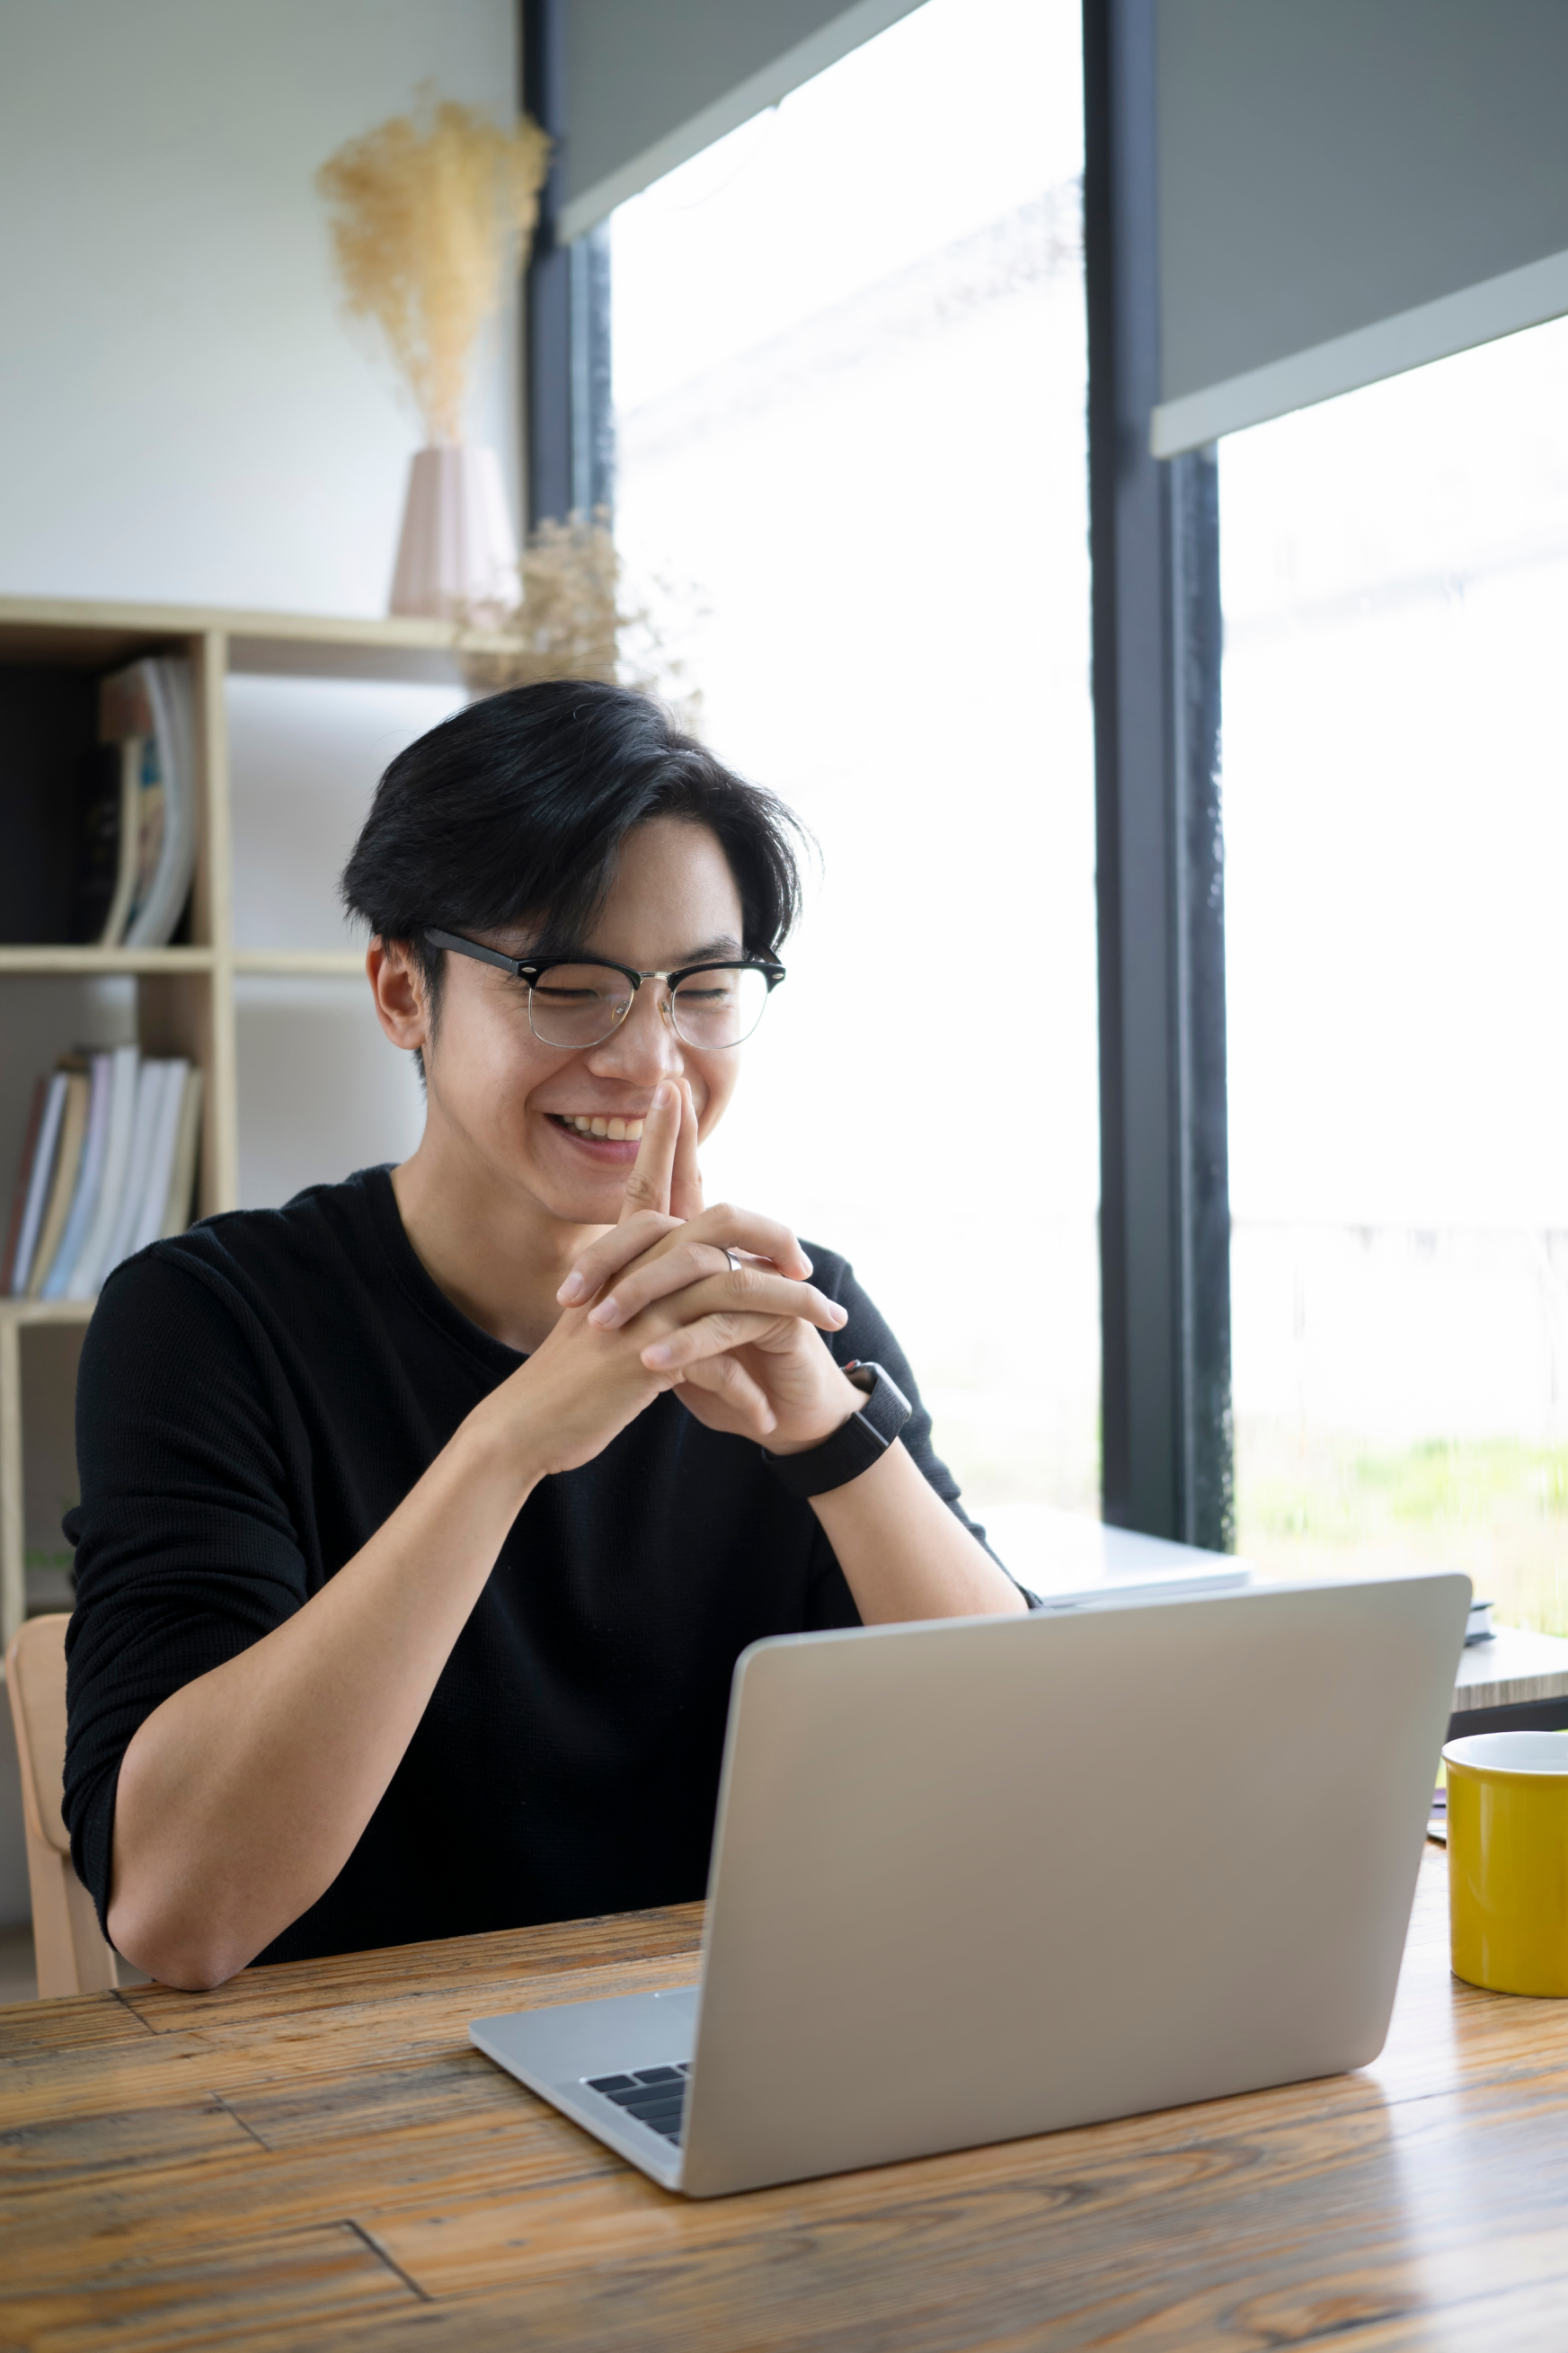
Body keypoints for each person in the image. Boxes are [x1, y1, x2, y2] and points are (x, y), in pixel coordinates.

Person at [64, 682, 1032, 1992]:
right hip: (338, 2121)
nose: (649, 1058)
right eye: (568, 984)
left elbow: (1034, 1779)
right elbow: (179, 1911)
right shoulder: (207, 1318)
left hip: (726, 2066)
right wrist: (510, 1441)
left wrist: (829, 1436)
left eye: (701, 986)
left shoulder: (793, 1312)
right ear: (404, 989)